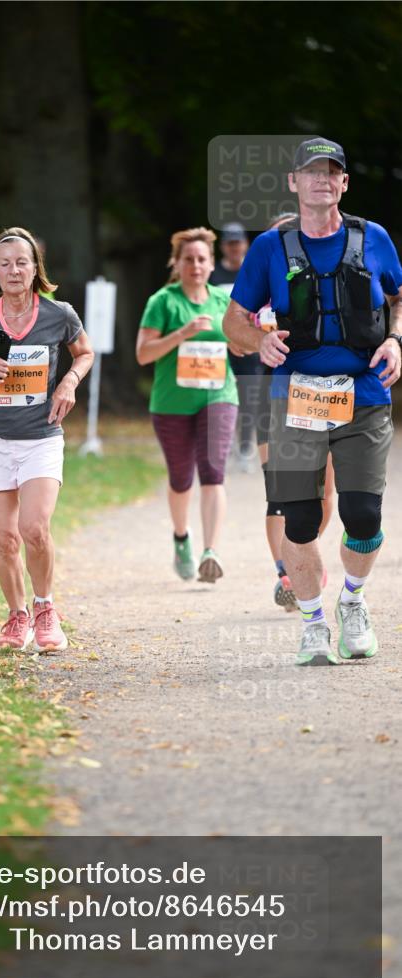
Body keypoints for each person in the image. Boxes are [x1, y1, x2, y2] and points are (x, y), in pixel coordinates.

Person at [224, 137, 402, 665]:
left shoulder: (373, 238)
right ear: (293, 182)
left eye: (331, 171)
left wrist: (396, 339)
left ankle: (352, 600)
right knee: (299, 520)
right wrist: (258, 340)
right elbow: (233, 321)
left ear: (344, 182)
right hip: (294, 398)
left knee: (363, 515)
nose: (321, 179)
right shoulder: (269, 248)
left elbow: (399, 298)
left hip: (364, 394)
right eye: (311, 171)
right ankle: (313, 624)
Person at [0, 227, 94, 652]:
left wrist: (69, 382)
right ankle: (17, 616)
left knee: (34, 528)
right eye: (5, 263)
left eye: (22, 263)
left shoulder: (59, 314)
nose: (14, 270)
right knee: (4, 537)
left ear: (35, 269)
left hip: (40, 437)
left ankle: (45, 608)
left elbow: (85, 353)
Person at [136, 226, 240, 584]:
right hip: (172, 402)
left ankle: (211, 552)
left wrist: (249, 339)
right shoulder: (162, 302)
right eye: (189, 259)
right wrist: (182, 334)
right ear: (177, 264)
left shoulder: (223, 301)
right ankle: (182, 538)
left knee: (213, 471)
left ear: (212, 264)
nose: (196, 266)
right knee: (181, 479)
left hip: (218, 396)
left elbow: (241, 342)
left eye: (202, 259)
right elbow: (143, 353)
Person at [254, 214, 335, 613]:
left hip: (322, 394)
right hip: (269, 397)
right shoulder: (256, 288)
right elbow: (234, 338)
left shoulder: (326, 282)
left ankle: (305, 551)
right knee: (279, 493)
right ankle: (286, 572)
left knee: (325, 491)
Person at [211, 223, 261, 470]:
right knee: (220, 397)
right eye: (229, 243)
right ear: (223, 247)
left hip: (248, 347)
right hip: (220, 347)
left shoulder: (253, 273)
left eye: (237, 243)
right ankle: (223, 445)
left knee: (249, 398)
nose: (234, 248)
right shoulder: (213, 274)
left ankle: (244, 448)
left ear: (245, 245)